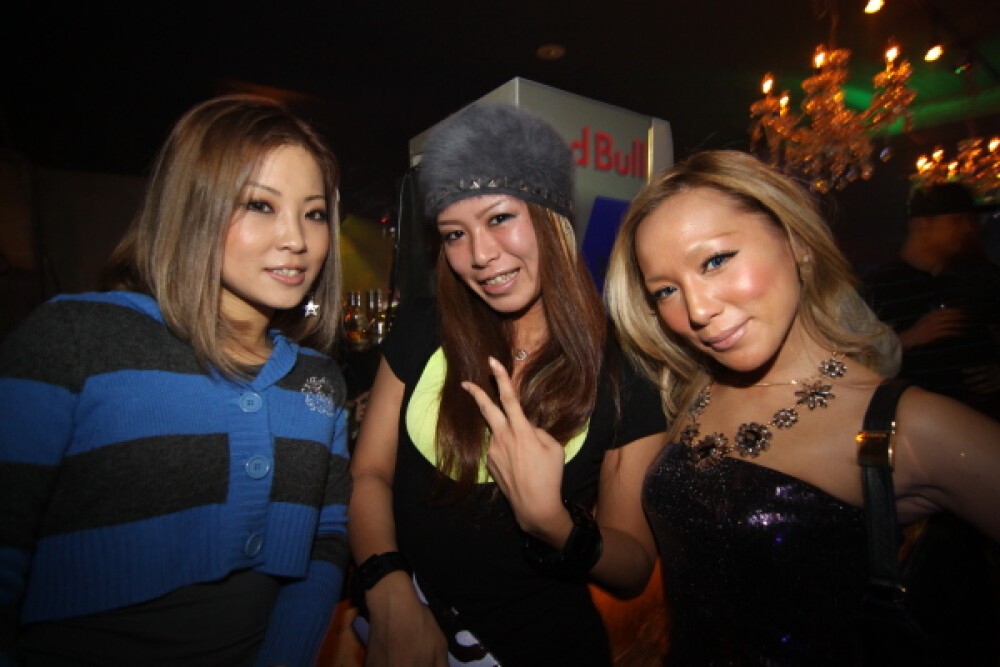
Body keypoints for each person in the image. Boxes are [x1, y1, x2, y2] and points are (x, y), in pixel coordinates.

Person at [604, 149, 1000, 665]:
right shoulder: (685, 391)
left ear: (797, 244)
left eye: (716, 261)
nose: (697, 310)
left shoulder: (909, 426)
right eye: (665, 291)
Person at [0, 95, 351, 666]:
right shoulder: (73, 340)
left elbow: (326, 539)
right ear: (192, 207)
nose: (296, 238)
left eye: (313, 213)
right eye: (259, 205)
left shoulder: (320, 382)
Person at [347, 103, 667, 667]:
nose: (480, 255)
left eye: (499, 218)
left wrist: (556, 524)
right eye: (454, 234)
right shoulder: (423, 328)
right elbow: (369, 472)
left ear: (553, 218)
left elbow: (635, 565)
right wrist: (388, 587)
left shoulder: (625, 372)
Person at [863, 181, 1000, 421]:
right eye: (957, 221)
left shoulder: (983, 277)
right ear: (921, 225)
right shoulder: (877, 288)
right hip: (916, 422)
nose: (969, 229)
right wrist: (911, 337)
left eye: (971, 220)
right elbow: (859, 359)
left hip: (984, 415)